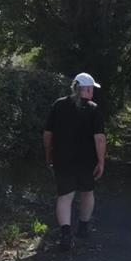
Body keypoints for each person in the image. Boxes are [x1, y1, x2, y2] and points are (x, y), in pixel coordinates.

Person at [43, 72, 106, 251]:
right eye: (92, 88)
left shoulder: (58, 105)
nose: (93, 92)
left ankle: (65, 233)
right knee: (87, 192)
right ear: (85, 89)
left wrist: (48, 154)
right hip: (87, 160)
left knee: (65, 196)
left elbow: (48, 134)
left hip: (62, 158)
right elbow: (99, 139)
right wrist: (101, 161)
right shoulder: (94, 109)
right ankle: (83, 227)